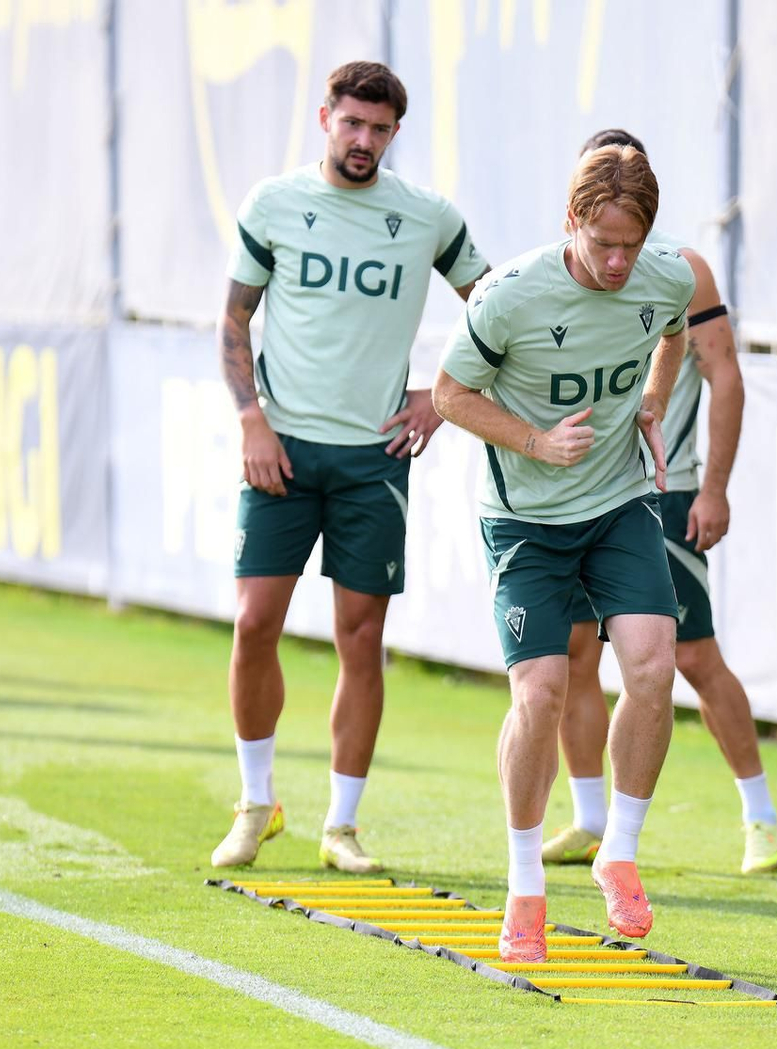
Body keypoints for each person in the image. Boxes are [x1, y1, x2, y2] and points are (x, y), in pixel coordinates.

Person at [210, 61, 488, 873]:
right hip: (282, 450)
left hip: (374, 459)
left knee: (360, 639)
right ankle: (256, 804)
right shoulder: (274, 203)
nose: (363, 141)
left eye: (379, 129)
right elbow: (234, 318)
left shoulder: (428, 216)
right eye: (352, 124)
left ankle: (342, 825)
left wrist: (440, 396)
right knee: (253, 623)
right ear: (325, 118)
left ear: (395, 133)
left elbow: (496, 308)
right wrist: (251, 421)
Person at [433, 145, 695, 961]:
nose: (619, 262)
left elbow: (674, 339)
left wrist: (652, 402)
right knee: (541, 695)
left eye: (632, 244)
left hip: (618, 501)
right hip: (525, 520)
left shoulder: (668, 277)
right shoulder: (508, 295)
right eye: (602, 244)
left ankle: (619, 850)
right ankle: (523, 885)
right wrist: (535, 442)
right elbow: (448, 394)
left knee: (654, 666)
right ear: (570, 223)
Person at [537, 130, 777, 876]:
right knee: (576, 657)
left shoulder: (680, 269)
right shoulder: (563, 267)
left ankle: (761, 817)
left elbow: (726, 376)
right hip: (575, 497)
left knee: (695, 658)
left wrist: (713, 486)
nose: (616, 249)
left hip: (660, 492)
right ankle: (587, 816)